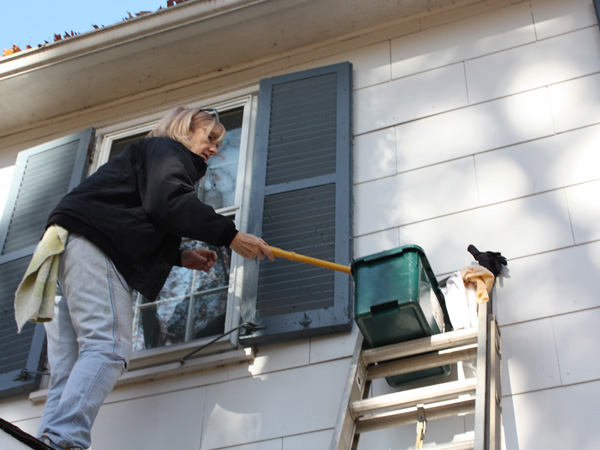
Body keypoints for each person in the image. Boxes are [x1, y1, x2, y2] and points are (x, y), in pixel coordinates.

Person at [35, 106, 274, 450]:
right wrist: (231, 235)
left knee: (71, 367)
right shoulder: (167, 150)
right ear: (186, 129)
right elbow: (170, 202)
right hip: (93, 244)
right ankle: (63, 439)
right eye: (210, 138)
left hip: (65, 247)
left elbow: (132, 217)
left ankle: (48, 439)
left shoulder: (145, 158)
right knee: (109, 346)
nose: (215, 150)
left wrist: (179, 256)